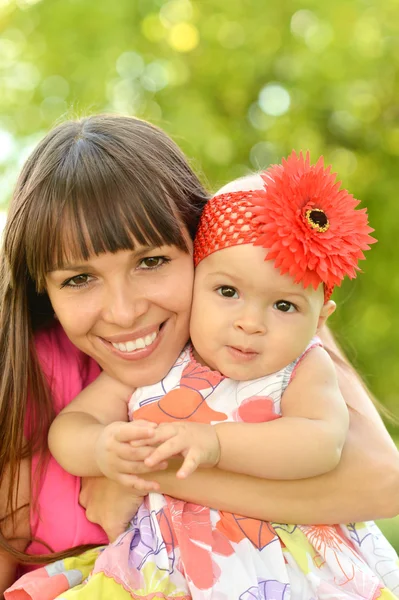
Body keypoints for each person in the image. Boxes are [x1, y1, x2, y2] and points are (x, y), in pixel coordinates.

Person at [0, 116, 398, 595]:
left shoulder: (269, 325)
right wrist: (104, 455)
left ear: (201, 243)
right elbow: (70, 437)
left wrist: (162, 474)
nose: (125, 313)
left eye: (151, 261)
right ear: (41, 288)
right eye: (78, 279)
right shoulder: (25, 371)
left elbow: (380, 481)